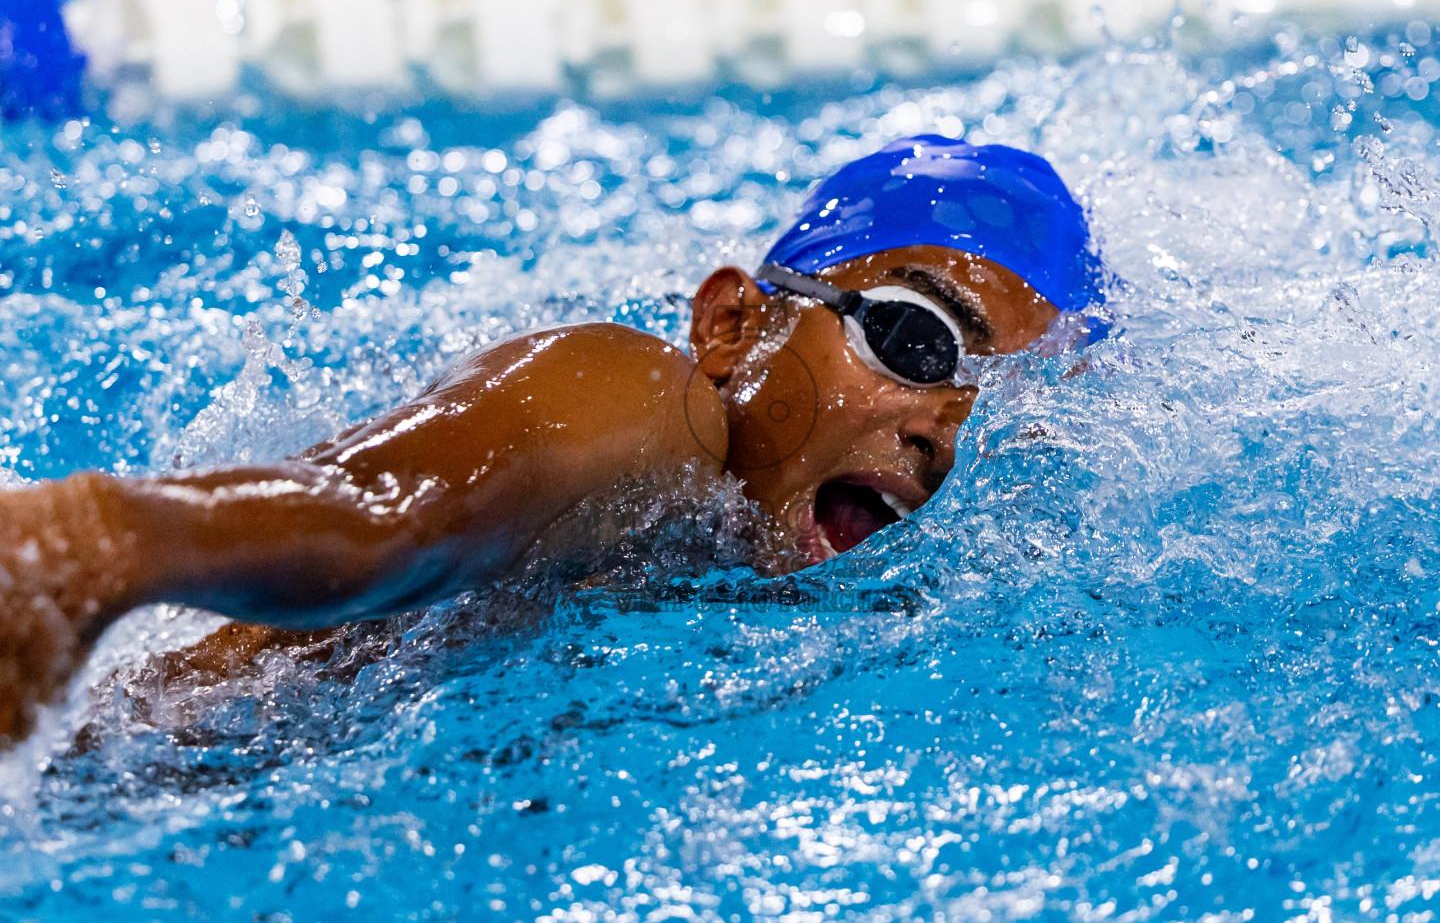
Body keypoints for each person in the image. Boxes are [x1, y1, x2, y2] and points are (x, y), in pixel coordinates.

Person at [0, 134, 1111, 746]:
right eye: (918, 342)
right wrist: (100, 547)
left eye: (999, 404)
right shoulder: (640, 405)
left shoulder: (792, 572)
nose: (946, 426)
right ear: (731, 325)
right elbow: (372, 514)